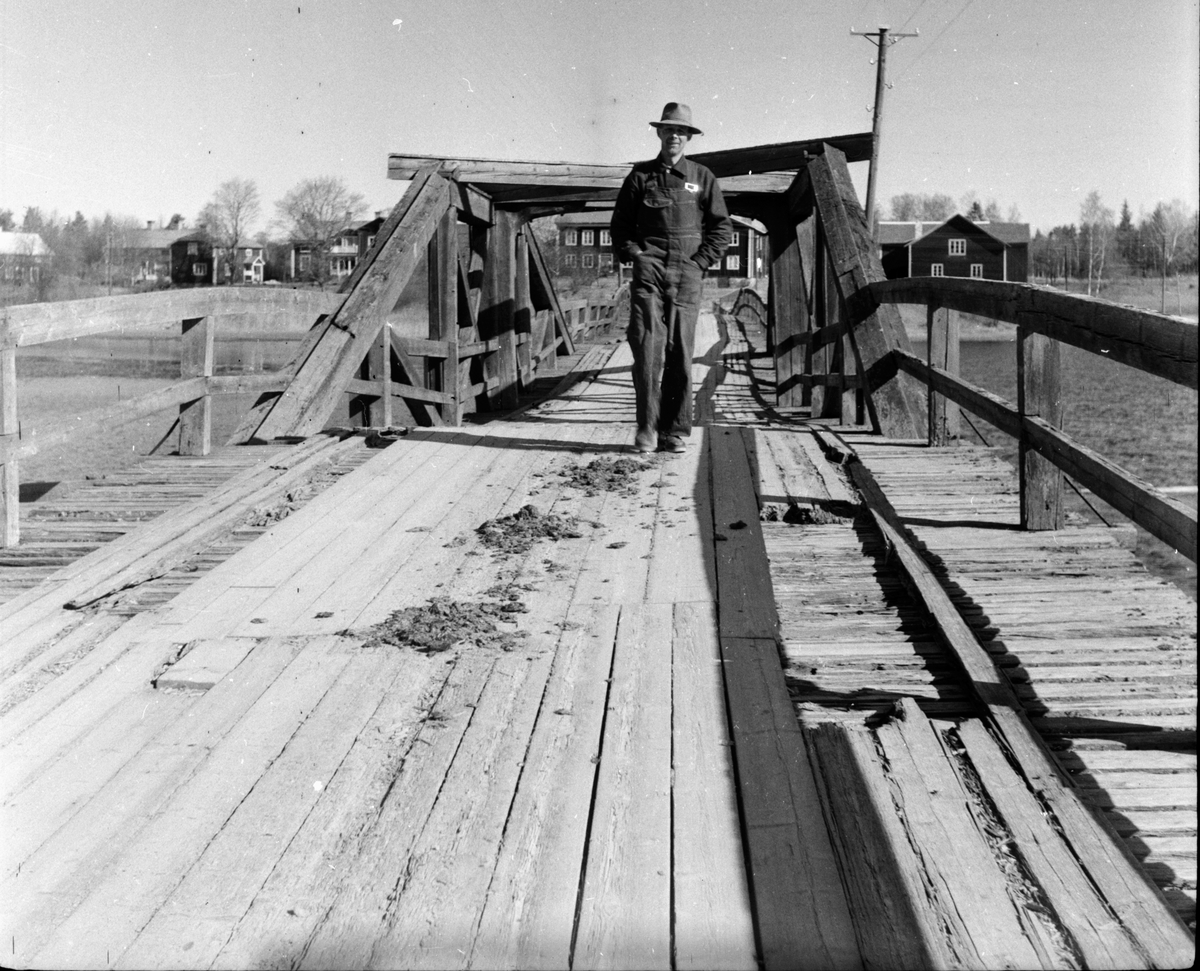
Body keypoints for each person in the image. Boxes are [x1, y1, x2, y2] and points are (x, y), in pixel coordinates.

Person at [610, 103, 732, 453]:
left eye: (681, 131)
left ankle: (673, 431)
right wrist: (636, 255)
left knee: (680, 352)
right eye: (668, 130)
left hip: (687, 274)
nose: (674, 136)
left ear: (688, 137)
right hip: (649, 273)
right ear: (659, 134)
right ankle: (647, 428)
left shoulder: (702, 177)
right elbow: (620, 228)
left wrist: (699, 263)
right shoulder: (640, 176)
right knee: (648, 348)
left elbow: (721, 228)